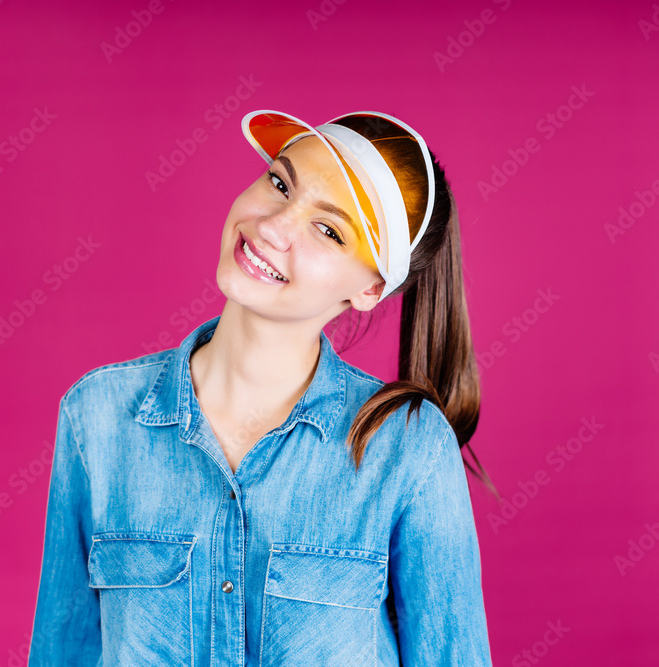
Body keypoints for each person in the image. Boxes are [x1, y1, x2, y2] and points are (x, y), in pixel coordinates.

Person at [27, 109, 496, 666]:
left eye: (328, 230)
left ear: (370, 288)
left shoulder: (408, 447)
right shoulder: (97, 416)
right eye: (280, 182)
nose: (272, 226)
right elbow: (62, 651)